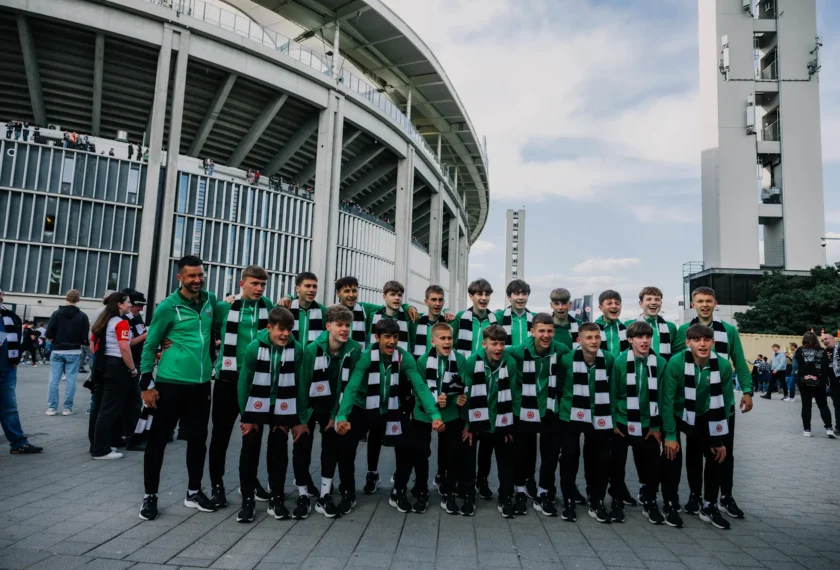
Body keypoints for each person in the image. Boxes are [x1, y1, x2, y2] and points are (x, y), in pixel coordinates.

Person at [138, 255, 218, 521]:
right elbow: (150, 345)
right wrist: (146, 384)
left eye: (200, 274)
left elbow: (233, 313)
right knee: (158, 441)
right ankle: (150, 497)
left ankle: (193, 492)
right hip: (169, 384)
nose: (197, 279)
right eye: (192, 275)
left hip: (200, 385)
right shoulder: (167, 307)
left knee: (197, 441)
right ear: (180, 277)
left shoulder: (210, 301)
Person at [335, 318, 444, 514]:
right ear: (377, 338)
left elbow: (420, 387)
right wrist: (342, 416)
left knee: (408, 446)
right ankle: (348, 492)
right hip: (364, 407)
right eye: (387, 337)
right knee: (345, 446)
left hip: (392, 407)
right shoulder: (367, 357)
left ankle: (398, 490)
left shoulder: (404, 358)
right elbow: (351, 387)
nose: (392, 341)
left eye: (395, 337)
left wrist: (435, 414)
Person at [673, 286, 752, 520]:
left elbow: (738, 360)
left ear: (715, 303)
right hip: (693, 405)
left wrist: (747, 391)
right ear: (693, 304)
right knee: (695, 452)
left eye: (708, 301)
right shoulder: (683, 331)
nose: (705, 305)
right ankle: (696, 496)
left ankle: (725, 496)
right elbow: (676, 362)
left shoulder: (728, 330)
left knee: (723, 452)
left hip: (720, 404)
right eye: (700, 301)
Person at [210, 266, 277, 508]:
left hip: (256, 381)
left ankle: (248, 481)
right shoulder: (224, 307)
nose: (259, 289)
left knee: (253, 436)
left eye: (262, 285)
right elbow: (206, 329)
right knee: (221, 435)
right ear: (242, 284)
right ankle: (217, 485)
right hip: (227, 379)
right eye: (254, 284)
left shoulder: (268, 306)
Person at [235, 307, 307, 523]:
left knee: (278, 452)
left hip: (282, 405)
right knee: (250, 451)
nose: (285, 334)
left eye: (289, 330)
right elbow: (244, 383)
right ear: (269, 328)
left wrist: (298, 419)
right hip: (256, 404)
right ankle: (247, 500)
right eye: (280, 330)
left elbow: (300, 385)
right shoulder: (253, 347)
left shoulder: (297, 350)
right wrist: (245, 416)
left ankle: (277, 498)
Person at [662, 324, 734, 530]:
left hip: (704, 412)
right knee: (671, 454)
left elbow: (725, 402)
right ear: (688, 343)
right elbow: (667, 399)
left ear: (713, 342)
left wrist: (720, 439)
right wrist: (669, 434)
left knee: (717, 454)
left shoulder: (723, 365)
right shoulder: (676, 363)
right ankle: (670, 502)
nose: (702, 344)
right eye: (696, 340)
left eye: (706, 340)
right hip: (678, 412)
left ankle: (709, 504)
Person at [298, 305, 362, 518]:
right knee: (302, 445)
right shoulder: (311, 349)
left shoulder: (354, 349)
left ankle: (325, 495)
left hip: (335, 404)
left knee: (332, 446)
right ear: (328, 326)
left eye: (347, 325)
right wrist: (301, 419)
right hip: (311, 404)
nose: (344, 329)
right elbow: (303, 385)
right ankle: (303, 493)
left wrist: (336, 416)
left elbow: (348, 387)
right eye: (339, 325)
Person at [506, 313, 570, 516]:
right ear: (532, 331)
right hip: (523, 408)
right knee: (520, 454)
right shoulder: (517, 351)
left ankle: (543, 493)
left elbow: (575, 361)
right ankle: (520, 490)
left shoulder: (560, 349)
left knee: (550, 454)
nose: (546, 335)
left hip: (550, 408)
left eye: (549, 331)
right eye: (541, 330)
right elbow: (495, 355)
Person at [608, 321, 667, 525]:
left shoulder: (659, 362)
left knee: (651, 464)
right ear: (630, 340)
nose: (644, 341)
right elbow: (613, 393)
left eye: (647, 337)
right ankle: (616, 500)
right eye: (639, 337)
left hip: (648, 423)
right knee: (617, 463)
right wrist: (614, 420)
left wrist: (656, 425)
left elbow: (662, 397)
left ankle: (649, 500)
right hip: (623, 422)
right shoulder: (620, 361)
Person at [361, 280, 417, 494]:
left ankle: (398, 474)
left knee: (400, 427)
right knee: (375, 428)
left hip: (401, 377)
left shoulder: (409, 316)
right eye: (392, 294)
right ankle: (372, 472)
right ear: (384, 296)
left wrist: (408, 307)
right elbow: (346, 302)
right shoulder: (372, 313)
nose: (396, 298)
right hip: (377, 374)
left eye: (400, 295)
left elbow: (434, 315)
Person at [556, 322, 615, 524]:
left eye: (597, 337)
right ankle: (569, 499)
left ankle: (596, 498)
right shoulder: (566, 360)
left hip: (599, 413)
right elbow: (559, 385)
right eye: (589, 338)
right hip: (569, 413)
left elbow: (612, 389)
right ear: (579, 340)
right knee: (569, 455)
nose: (593, 341)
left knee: (599, 457)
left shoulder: (608, 359)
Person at [461, 324, 520, 518]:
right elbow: (466, 395)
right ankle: (469, 494)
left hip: (500, 418)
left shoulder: (509, 363)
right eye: (494, 344)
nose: (499, 348)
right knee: (470, 457)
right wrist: (468, 425)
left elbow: (513, 395)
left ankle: (505, 498)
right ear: (484, 343)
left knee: (506, 458)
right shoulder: (472, 362)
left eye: (502, 344)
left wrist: (509, 424)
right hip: (476, 418)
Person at [414, 322, 468, 514]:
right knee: (421, 452)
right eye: (442, 338)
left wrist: (460, 397)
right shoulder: (421, 361)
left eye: (449, 338)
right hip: (424, 411)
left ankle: (449, 492)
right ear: (433, 341)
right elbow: (418, 390)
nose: (447, 342)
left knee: (453, 452)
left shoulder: (460, 359)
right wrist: (434, 400)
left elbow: (464, 385)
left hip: (451, 412)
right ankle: (421, 490)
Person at [454, 278, 499, 501]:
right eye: (478, 294)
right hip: (466, 378)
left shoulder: (496, 319)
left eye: (486, 294)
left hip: (489, 378)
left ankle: (482, 479)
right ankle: (464, 480)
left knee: (488, 437)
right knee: (467, 433)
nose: (483, 298)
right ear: (470, 296)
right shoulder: (459, 318)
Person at [88, 292, 135, 459]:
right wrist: (132, 368)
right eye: (128, 302)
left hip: (101, 366)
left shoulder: (102, 321)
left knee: (99, 407)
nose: (130, 305)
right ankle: (101, 450)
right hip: (116, 367)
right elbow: (124, 347)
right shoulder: (121, 323)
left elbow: (92, 344)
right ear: (120, 305)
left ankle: (96, 444)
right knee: (109, 409)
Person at [0, 289, 43, 454]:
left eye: (1, 293)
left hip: (7, 369)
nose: (0, 296)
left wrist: (15, 361)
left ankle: (18, 443)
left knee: (9, 408)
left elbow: (17, 341)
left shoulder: (10, 316)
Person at [45, 289, 90, 416]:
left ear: (66, 298)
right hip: (74, 351)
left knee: (54, 379)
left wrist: (55, 339)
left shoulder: (56, 313)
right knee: (71, 380)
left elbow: (49, 333)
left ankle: (51, 408)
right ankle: (67, 408)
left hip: (58, 349)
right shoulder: (82, 316)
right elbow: (84, 337)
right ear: (78, 299)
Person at [795, 332, 834, 439]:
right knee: (823, 405)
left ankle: (807, 430)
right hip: (819, 381)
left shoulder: (799, 350)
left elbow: (796, 365)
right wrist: (826, 382)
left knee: (806, 405)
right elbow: (825, 368)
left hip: (804, 381)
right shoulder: (822, 351)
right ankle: (829, 428)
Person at [122, 291, 148, 451]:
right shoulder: (124, 320)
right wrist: (146, 335)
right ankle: (131, 436)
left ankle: (132, 434)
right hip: (130, 362)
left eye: (142, 305)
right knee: (133, 400)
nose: (140, 309)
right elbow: (128, 343)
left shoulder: (136, 318)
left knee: (134, 400)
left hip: (138, 360)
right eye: (138, 305)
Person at [624, 287, 677, 361]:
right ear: (641, 303)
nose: (653, 302)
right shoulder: (629, 325)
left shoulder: (671, 327)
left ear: (661, 303)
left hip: (662, 369)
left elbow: (675, 354)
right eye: (649, 299)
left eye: (657, 299)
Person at [494, 279, 533, 347]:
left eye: (524, 294)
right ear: (509, 297)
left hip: (529, 357)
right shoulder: (499, 316)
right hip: (506, 356)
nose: (521, 297)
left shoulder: (535, 318)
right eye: (516, 294)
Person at [594, 290, 629, 356]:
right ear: (601, 308)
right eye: (609, 303)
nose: (614, 306)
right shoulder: (592, 329)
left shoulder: (626, 330)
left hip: (620, 366)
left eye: (617, 303)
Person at [821, 334, 840, 434]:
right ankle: (839, 427)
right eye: (823, 340)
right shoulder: (824, 352)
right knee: (837, 404)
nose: (824, 341)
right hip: (833, 382)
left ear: (833, 339)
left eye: (826, 338)